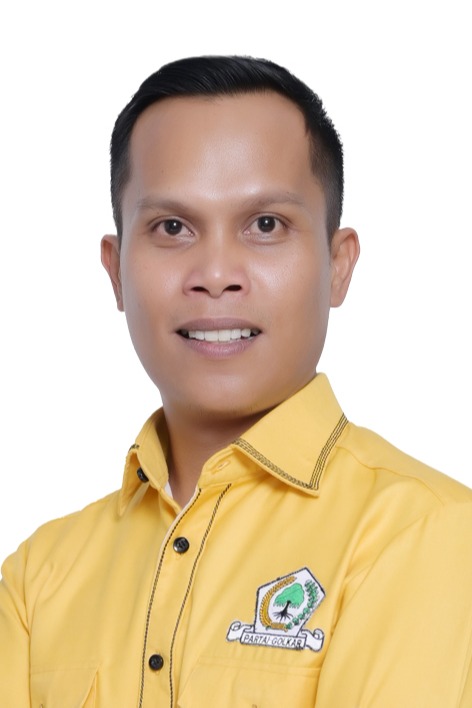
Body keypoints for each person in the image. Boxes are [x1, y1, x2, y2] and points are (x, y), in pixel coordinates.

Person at [1, 55, 471, 707]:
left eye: (265, 225)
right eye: (172, 227)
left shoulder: (424, 532)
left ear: (338, 265)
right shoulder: (36, 578)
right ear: (116, 272)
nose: (216, 273)